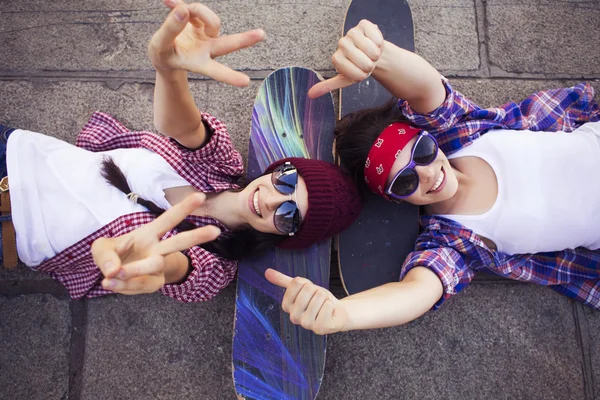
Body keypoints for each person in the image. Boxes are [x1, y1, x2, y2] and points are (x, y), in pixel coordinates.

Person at [0, 1, 361, 302]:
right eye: (286, 182)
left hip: (14, 233)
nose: (271, 201)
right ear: (279, 168)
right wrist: (168, 69)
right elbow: (183, 127)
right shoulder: (220, 163)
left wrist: (156, 264)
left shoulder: (216, 267)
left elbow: (180, 268)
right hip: (15, 155)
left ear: (285, 235)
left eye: (288, 215)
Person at [265, 19, 600, 335]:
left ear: (428, 136)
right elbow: (416, 292)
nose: (427, 173)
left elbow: (424, 86)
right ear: (394, 198)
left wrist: (377, 55)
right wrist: (342, 315)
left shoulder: (461, 131)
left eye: (422, 150)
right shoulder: (455, 242)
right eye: (405, 182)